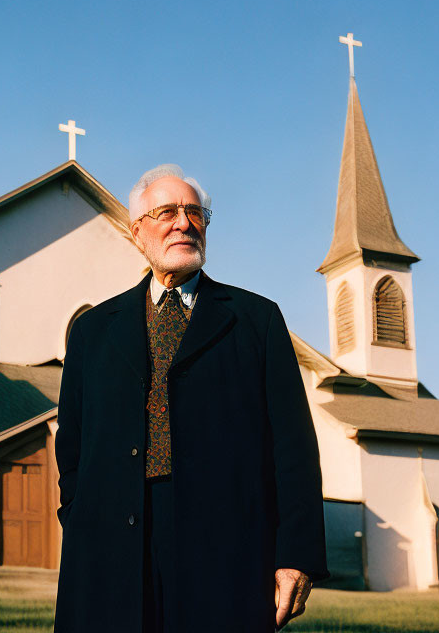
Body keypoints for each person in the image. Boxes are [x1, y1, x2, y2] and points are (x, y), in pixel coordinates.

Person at [53, 164, 328, 633]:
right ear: (137, 232)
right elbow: (72, 447)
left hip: (225, 550)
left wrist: (295, 554)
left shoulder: (255, 321)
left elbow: (294, 449)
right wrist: (80, 520)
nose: (184, 222)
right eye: (166, 212)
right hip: (110, 552)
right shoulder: (93, 331)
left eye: (194, 212)